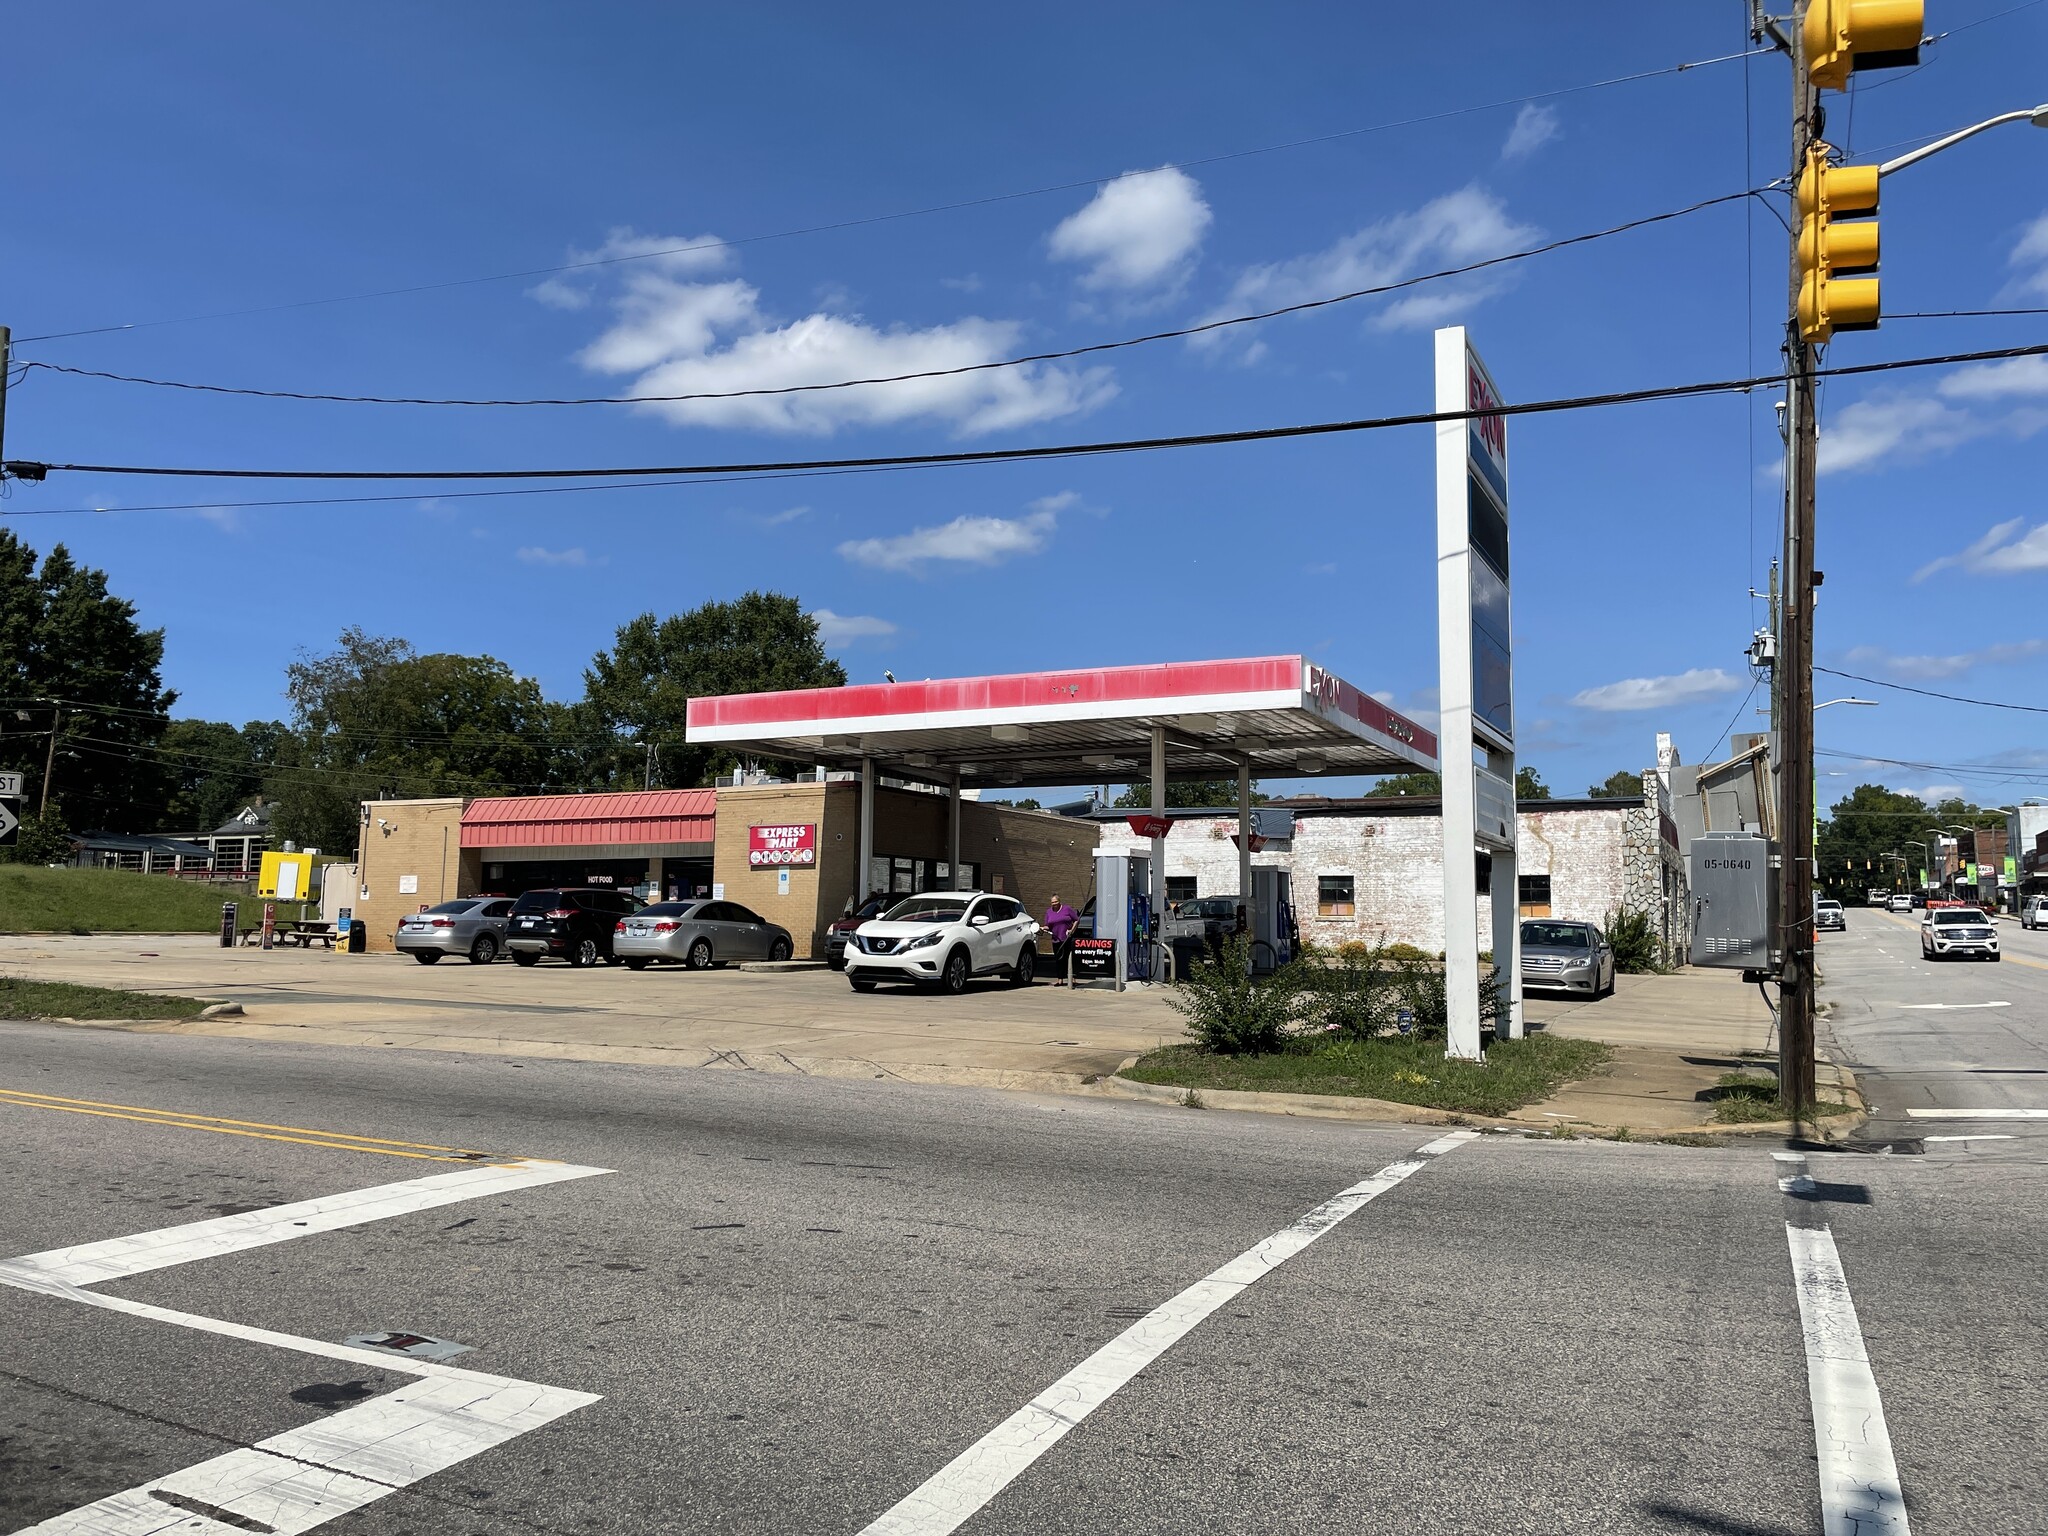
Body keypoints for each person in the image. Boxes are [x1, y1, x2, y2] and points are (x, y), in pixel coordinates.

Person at [1044, 893, 1079, 984]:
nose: (1054, 904)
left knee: (1069, 958)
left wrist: (1072, 930)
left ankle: (1072, 978)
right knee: (1059, 959)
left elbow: (1076, 919)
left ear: (1059, 901)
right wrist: (1043, 928)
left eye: (1056, 901)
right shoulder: (1049, 912)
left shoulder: (1066, 909)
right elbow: (1048, 925)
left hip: (1067, 938)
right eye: (1052, 902)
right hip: (1056, 939)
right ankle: (1060, 979)